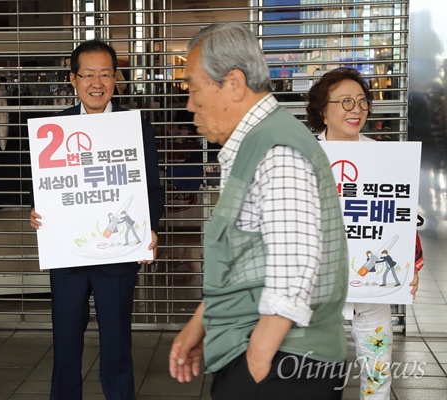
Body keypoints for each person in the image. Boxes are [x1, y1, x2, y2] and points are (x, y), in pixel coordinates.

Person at [168, 23, 348, 400]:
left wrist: (255, 365)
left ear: (233, 83)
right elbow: (248, 260)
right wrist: (200, 325)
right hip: (270, 360)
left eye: (194, 88)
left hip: (284, 365)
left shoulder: (276, 150)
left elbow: (295, 264)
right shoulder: (255, 144)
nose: (189, 105)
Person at [29, 40, 164, 400]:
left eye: (105, 74)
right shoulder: (52, 131)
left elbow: (152, 185)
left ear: (116, 78)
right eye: (88, 74)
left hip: (118, 254)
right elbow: (44, 189)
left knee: (118, 343)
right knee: (66, 344)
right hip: (68, 254)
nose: (97, 82)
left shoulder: (135, 127)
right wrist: (36, 211)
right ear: (73, 79)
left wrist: (150, 227)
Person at [306, 66, 422, 399]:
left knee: (377, 375)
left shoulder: (385, 158)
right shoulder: (301, 158)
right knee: (309, 378)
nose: (356, 109)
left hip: (372, 294)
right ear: (322, 112)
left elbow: (400, 217)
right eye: (345, 102)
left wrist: (409, 266)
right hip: (317, 293)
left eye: (361, 101)